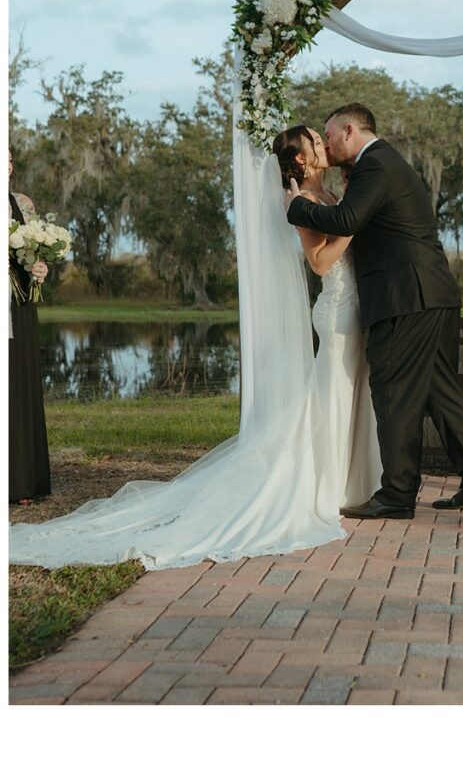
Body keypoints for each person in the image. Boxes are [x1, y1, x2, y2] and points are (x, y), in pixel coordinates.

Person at [9, 127, 381, 569]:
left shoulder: (331, 194)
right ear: (299, 161)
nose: (323, 145)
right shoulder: (299, 202)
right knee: (334, 393)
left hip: (355, 305)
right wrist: (352, 228)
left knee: (347, 394)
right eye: (316, 143)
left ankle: (349, 481)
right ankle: (325, 487)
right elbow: (319, 262)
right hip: (337, 306)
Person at [285, 103, 463, 518]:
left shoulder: (376, 165)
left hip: (405, 297)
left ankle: (397, 494)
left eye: (328, 136)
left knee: (394, 392)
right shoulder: (382, 163)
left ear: (348, 130)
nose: (327, 146)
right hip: (429, 292)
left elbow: (347, 218)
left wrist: (297, 207)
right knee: (442, 391)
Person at [8, 149, 51, 503]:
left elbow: (35, 252)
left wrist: (40, 269)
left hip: (19, 303)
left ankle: (22, 480)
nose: (8, 163)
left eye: (9, 157)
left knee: (18, 383)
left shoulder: (23, 203)